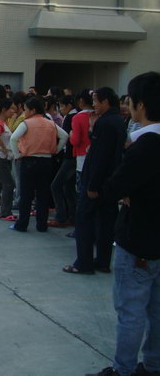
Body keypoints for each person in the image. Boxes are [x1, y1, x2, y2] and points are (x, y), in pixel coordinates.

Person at [89, 72, 160, 376]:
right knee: (157, 311)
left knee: (131, 312)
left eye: (130, 101)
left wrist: (127, 192)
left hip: (139, 240)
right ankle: (154, 365)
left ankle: (124, 369)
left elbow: (113, 187)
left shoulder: (144, 146)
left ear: (140, 105)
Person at [64, 87, 126, 274]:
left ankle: (83, 263)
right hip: (110, 181)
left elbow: (100, 157)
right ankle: (102, 261)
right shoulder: (118, 121)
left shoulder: (105, 123)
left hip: (96, 180)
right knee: (106, 221)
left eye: (96, 101)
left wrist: (93, 184)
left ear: (106, 101)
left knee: (84, 219)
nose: (94, 105)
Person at [9, 97, 68, 232]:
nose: (24, 112)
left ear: (33, 110)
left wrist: (17, 155)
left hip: (28, 160)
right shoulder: (50, 123)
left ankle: (22, 224)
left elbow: (13, 138)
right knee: (43, 194)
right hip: (46, 161)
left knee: (26, 194)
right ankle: (42, 224)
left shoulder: (26, 123)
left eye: (26, 110)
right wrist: (56, 150)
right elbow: (64, 136)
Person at [49, 95, 78, 227]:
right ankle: (72, 216)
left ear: (69, 106)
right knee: (69, 188)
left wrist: (57, 150)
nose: (60, 109)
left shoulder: (71, 118)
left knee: (56, 186)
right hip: (76, 157)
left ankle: (61, 217)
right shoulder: (77, 116)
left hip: (70, 157)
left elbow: (66, 137)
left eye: (61, 106)